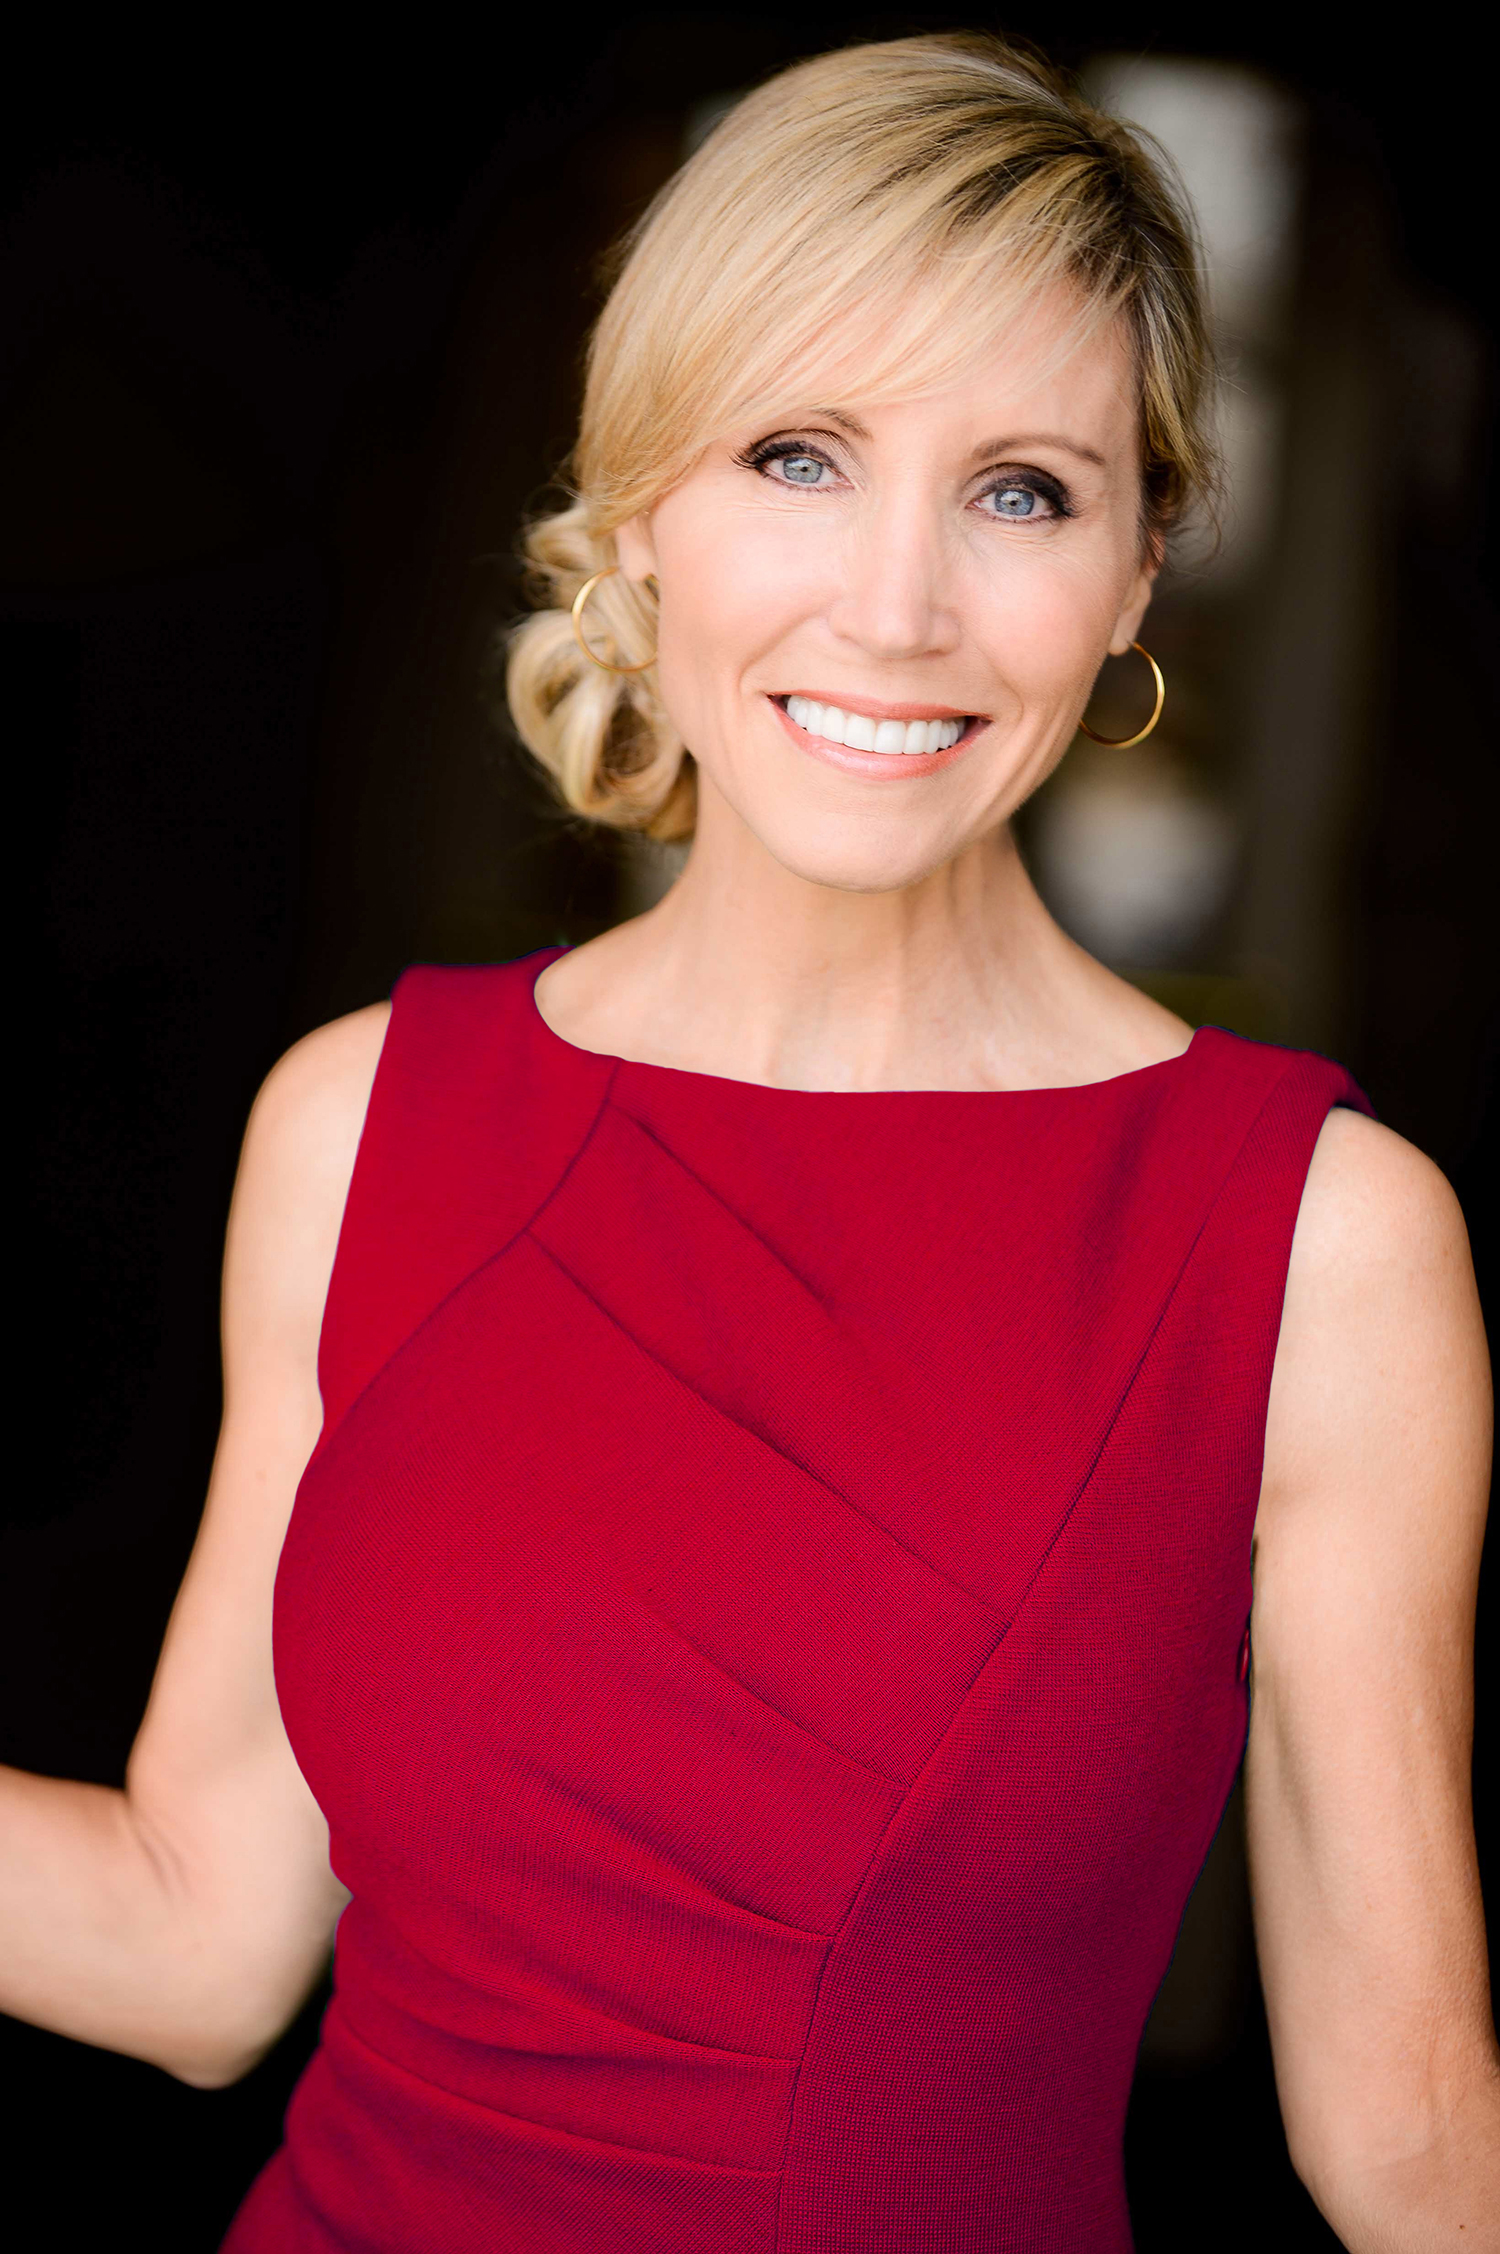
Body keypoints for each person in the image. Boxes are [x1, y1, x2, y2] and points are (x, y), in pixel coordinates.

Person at [4, 32, 1496, 2252]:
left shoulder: (1318, 1240)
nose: (895, 604)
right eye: (798, 453)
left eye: (1022, 490)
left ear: (1139, 566)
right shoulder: (360, 1121)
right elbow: (197, 1938)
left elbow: (1407, 2141)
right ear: (639, 510)